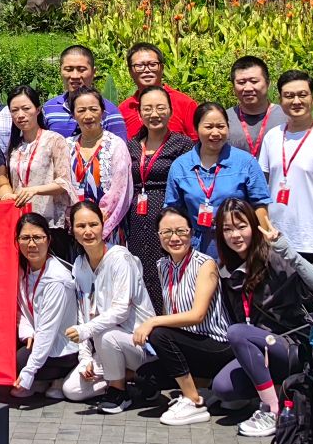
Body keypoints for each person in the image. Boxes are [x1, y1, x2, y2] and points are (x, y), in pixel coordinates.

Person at [212, 199, 313, 438]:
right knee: (222, 387)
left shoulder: (274, 255)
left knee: (237, 332)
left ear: (254, 227)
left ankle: (271, 410)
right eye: (227, 229)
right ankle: (274, 390)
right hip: (258, 348)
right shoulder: (227, 271)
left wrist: (287, 251)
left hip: (289, 345)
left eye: (241, 226)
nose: (235, 235)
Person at [132, 209, 233, 426]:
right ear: (159, 236)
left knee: (158, 333)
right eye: (167, 232)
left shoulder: (205, 264)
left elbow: (197, 315)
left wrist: (152, 322)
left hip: (215, 344)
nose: (174, 238)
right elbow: (170, 311)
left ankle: (193, 400)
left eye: (181, 231)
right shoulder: (163, 265)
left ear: (191, 233)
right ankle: (203, 387)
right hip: (188, 345)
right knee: (144, 377)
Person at [60, 199, 154, 407]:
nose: (88, 231)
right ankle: (136, 380)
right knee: (72, 390)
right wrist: (85, 358)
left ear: (103, 225)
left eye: (93, 224)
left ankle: (119, 392)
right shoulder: (79, 265)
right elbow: (83, 314)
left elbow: (121, 311)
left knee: (106, 334)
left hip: (137, 345)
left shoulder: (120, 258)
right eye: (81, 226)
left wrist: (86, 330)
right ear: (72, 229)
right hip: (106, 348)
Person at [257, 70, 313, 265]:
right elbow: (261, 189)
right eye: (289, 96)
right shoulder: (272, 137)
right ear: (280, 101)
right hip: (277, 240)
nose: (296, 101)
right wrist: (265, 230)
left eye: (302, 95)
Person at [165, 102, 270, 256]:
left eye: (221, 126)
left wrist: (263, 245)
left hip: (237, 244)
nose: (215, 133)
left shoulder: (246, 162)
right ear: (196, 128)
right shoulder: (180, 166)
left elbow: (260, 204)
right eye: (208, 127)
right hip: (196, 246)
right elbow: (172, 209)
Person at [121, 86, 193, 307]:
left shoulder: (182, 144)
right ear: (139, 113)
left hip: (168, 215)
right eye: (148, 109)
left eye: (160, 108)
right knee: (140, 270)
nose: (154, 114)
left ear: (170, 111)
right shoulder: (131, 145)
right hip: (136, 219)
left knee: (168, 270)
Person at [13, 213, 79, 402]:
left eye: (37, 237)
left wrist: (28, 373)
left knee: (19, 361)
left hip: (62, 347)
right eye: (25, 238)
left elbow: (48, 330)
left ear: (48, 240)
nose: (31, 244)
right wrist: (27, 332)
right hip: (38, 338)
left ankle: (59, 376)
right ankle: (44, 380)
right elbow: (21, 309)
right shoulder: (22, 269)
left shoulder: (56, 278)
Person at [58, 90, 134, 227]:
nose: (88, 115)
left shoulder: (115, 145)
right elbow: (61, 185)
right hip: (75, 225)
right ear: (73, 115)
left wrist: (98, 219)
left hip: (108, 222)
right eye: (81, 110)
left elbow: (120, 189)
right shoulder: (66, 146)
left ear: (103, 112)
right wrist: (75, 219)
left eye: (93, 109)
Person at [4, 86, 69, 232]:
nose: (20, 115)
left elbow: (64, 182)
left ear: (38, 110)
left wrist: (34, 190)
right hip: (20, 220)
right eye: (14, 110)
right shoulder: (14, 146)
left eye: (26, 108)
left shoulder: (54, 140)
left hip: (49, 223)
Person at [117, 43, 198, 139]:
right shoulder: (123, 109)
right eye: (139, 65)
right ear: (130, 71)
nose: (146, 70)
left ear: (162, 68)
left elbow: (197, 142)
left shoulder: (185, 104)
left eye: (152, 65)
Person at [41, 46, 122, 141]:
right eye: (69, 69)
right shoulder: (49, 109)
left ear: (93, 72)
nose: (75, 76)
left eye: (82, 69)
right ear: (60, 71)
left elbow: (119, 147)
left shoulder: (110, 112)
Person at [227, 55, 286, 158]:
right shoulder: (224, 119)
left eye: (254, 81)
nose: (248, 88)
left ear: (268, 83)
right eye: (241, 83)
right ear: (233, 87)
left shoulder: (286, 116)